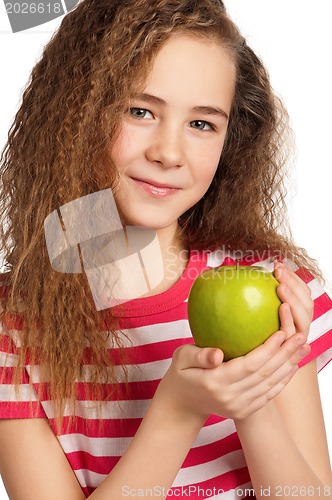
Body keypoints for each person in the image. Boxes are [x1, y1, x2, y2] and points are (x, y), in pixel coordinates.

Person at [0, 0, 331, 498]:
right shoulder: (13, 328)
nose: (169, 153)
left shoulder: (271, 281)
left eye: (202, 124)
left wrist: (253, 396)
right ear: (72, 114)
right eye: (140, 111)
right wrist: (178, 410)